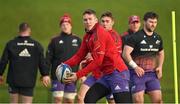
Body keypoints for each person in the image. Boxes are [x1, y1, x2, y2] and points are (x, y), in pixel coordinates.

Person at [63, 9, 131, 103]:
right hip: (106, 75)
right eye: (85, 20)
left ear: (95, 20)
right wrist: (63, 64)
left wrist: (78, 75)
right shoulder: (88, 36)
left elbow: (98, 61)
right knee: (89, 99)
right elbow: (79, 56)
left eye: (90, 19)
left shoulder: (100, 34)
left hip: (117, 73)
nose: (88, 22)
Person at [0, 22, 50, 103]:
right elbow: (42, 62)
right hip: (28, 81)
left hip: (13, 80)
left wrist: (0, 73)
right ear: (29, 31)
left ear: (19, 31)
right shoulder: (37, 45)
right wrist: (45, 74)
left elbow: (3, 61)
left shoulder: (11, 44)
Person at [122, 12, 164, 103]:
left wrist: (160, 67)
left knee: (159, 101)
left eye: (155, 22)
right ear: (144, 22)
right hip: (137, 74)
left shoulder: (158, 38)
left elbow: (161, 53)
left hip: (152, 74)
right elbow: (125, 54)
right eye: (151, 22)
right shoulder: (135, 37)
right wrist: (135, 67)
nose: (153, 24)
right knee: (138, 101)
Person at [46, 14, 81, 103]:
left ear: (71, 26)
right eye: (63, 25)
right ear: (60, 27)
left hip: (72, 76)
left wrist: (82, 74)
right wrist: (45, 74)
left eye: (67, 24)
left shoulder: (77, 40)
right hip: (57, 75)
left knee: (69, 100)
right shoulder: (54, 40)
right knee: (58, 99)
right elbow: (48, 58)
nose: (65, 26)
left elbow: (82, 58)